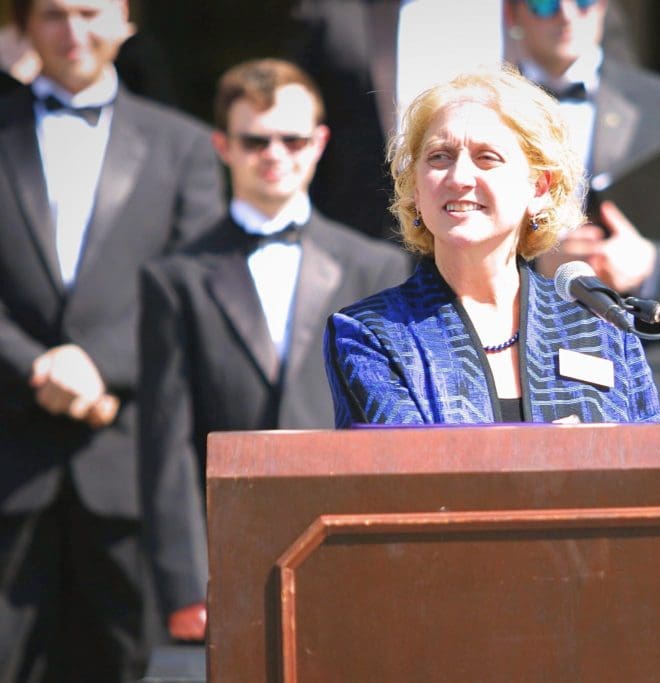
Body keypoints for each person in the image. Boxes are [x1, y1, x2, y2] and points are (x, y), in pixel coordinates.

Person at [138, 58, 409, 643]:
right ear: (223, 146)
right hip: (229, 549)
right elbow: (165, 444)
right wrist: (185, 584)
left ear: (320, 143)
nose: (275, 154)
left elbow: (392, 431)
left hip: (350, 542)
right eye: (255, 141)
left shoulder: (376, 266)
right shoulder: (174, 279)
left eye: (293, 139)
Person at [0, 0, 224, 680]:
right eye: (53, 14)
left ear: (126, 20)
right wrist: (35, 366)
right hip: (10, 454)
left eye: (89, 11)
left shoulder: (184, 145)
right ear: (25, 26)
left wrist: (100, 366)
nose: (72, 32)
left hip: (128, 460)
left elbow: (197, 287)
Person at [324, 66, 660, 426]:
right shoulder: (372, 333)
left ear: (539, 188)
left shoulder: (602, 327)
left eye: (487, 158)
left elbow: (653, 456)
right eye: (439, 157)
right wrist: (555, 450)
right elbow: (408, 461)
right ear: (417, 190)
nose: (459, 177)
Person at [506, 0, 660, 419]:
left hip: (636, 358)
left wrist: (649, 264)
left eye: (583, 1)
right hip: (512, 357)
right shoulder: (483, 109)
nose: (567, 15)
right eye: (544, 3)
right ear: (511, 13)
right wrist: (534, 259)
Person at [287, 0, 638, 240]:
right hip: (372, 253)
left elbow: (626, 116)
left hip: (522, 258)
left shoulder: (550, 8)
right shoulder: (337, 13)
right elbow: (295, 127)